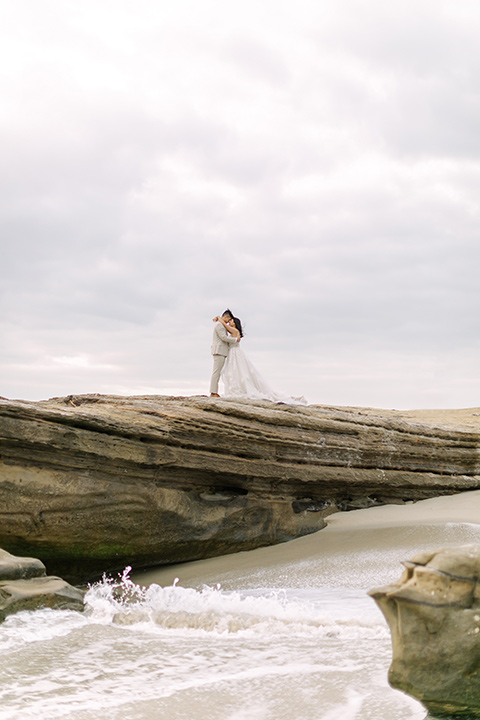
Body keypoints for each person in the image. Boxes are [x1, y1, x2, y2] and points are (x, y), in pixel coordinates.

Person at [214, 314, 307, 405]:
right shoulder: (234, 331)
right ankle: (235, 389)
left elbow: (225, 326)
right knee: (235, 373)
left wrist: (219, 318)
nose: (230, 322)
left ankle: (238, 390)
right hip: (233, 353)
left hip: (235, 353)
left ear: (235, 323)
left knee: (237, 372)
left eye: (232, 321)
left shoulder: (234, 330)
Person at [209, 309, 240, 397]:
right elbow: (223, 337)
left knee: (217, 372)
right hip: (219, 351)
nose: (228, 322)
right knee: (216, 372)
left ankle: (214, 391)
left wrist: (218, 318)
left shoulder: (220, 324)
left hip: (221, 351)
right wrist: (235, 340)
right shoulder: (219, 325)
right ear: (225, 317)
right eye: (228, 320)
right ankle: (213, 392)